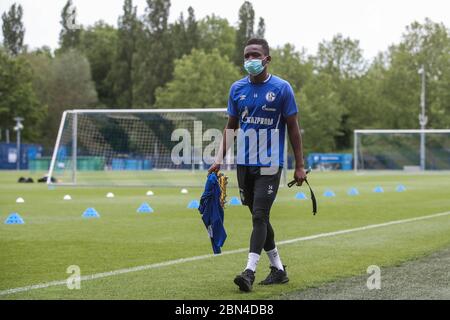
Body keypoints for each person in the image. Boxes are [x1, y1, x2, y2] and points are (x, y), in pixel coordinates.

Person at [208, 38, 307, 292]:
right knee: (257, 216)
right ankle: (279, 269)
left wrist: (299, 165)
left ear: (266, 59)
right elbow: (231, 127)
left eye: (255, 55)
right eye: (246, 56)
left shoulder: (282, 88)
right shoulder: (237, 89)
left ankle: (249, 272)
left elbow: (294, 129)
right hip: (244, 164)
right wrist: (219, 157)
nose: (249, 60)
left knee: (260, 215)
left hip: (270, 165)